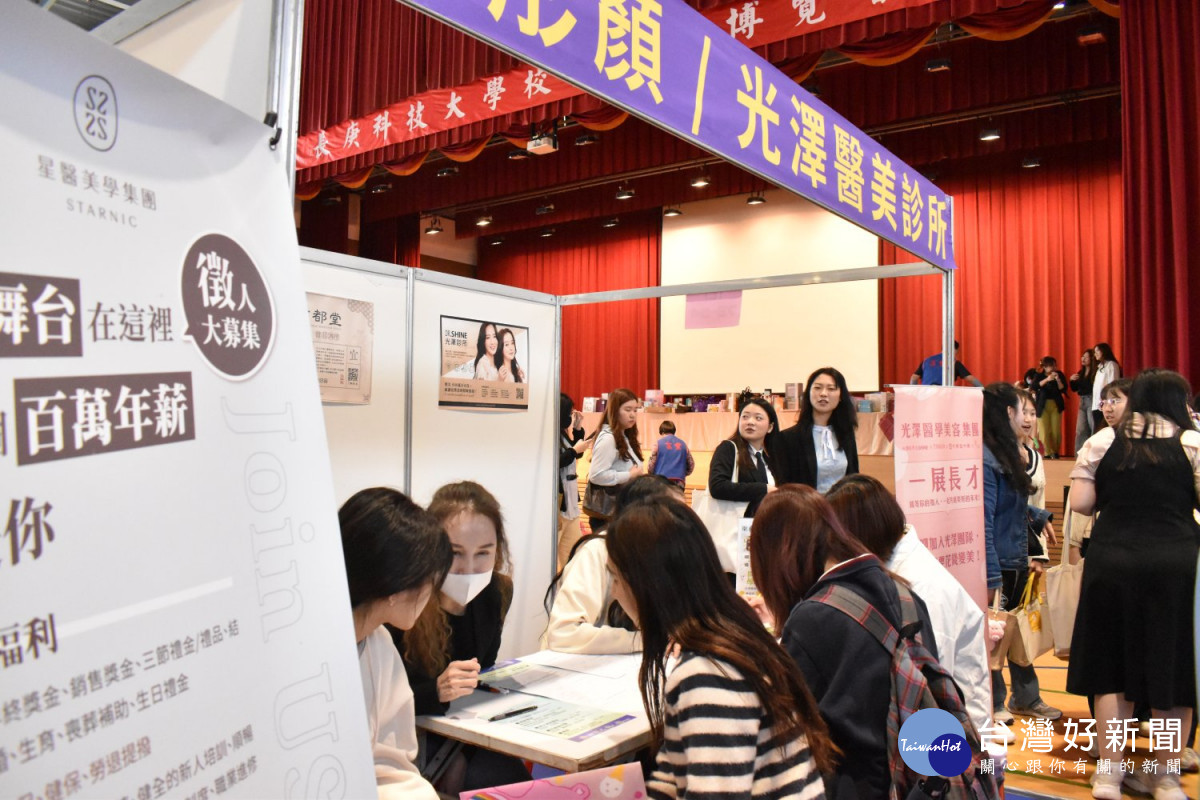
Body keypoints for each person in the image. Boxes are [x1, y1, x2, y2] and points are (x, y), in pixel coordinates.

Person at [605, 498, 835, 800]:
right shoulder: (731, 637)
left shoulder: (707, 674)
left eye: (616, 577)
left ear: (646, 586)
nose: (614, 591)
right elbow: (675, 770)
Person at [749, 484, 938, 798]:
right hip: (918, 782)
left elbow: (782, 727)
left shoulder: (812, 618)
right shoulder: (904, 593)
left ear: (778, 555)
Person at [1068, 369, 1200, 800]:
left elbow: (1082, 503)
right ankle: (1166, 779)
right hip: (1175, 562)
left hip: (1111, 560)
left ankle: (1108, 774)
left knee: (1111, 671)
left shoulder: (1103, 442)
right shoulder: (1192, 442)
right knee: (1172, 670)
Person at [825, 474, 992, 740]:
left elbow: (929, 685)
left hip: (944, 735)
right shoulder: (891, 570)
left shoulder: (923, 588)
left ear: (859, 534)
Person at [390, 481, 529, 793]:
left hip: (465, 733)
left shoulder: (495, 592)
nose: (469, 569)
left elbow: (482, 671)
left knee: (519, 785)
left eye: (483, 553)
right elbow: (376, 701)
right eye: (454, 553)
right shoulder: (402, 603)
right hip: (408, 739)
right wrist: (436, 691)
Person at [339, 487, 452, 800]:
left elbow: (391, 767)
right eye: (430, 578)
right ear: (398, 588)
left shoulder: (378, 643)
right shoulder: (316, 652)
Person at [981, 383, 1060, 727]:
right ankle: (996, 702)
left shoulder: (1009, 453)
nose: (1026, 417)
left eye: (1031, 411)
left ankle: (1025, 698)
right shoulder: (987, 458)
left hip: (1015, 556)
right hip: (999, 560)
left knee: (1018, 631)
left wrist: (1039, 517)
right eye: (1020, 409)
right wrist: (991, 574)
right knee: (997, 633)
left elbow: (1012, 507)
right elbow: (984, 519)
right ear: (1007, 413)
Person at [542, 475, 678, 654]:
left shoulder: (667, 555)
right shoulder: (598, 551)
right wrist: (647, 641)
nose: (682, 524)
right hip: (579, 666)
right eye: (675, 515)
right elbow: (563, 633)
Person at [777, 367, 859, 493]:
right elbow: (784, 486)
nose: (823, 394)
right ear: (808, 393)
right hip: (806, 504)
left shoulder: (846, 434)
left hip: (842, 504)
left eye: (831, 388)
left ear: (841, 396)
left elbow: (854, 478)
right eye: (817, 388)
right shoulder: (789, 437)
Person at [585, 387, 643, 533]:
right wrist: (629, 475)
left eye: (635, 410)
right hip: (608, 515)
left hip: (620, 512)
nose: (632, 415)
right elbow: (596, 475)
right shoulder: (609, 438)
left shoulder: (623, 435)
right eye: (627, 410)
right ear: (615, 411)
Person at [708, 397, 780, 517]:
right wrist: (764, 489)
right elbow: (717, 487)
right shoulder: (728, 448)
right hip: (735, 524)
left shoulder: (769, 457)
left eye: (758, 418)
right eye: (745, 417)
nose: (750, 422)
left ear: (770, 427)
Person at [557, 392, 589, 570]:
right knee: (553, 553)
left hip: (570, 503)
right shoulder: (549, 436)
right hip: (559, 504)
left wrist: (577, 429)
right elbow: (556, 462)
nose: (571, 416)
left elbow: (576, 453)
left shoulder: (562, 434)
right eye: (569, 413)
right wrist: (574, 451)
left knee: (573, 555)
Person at [1031, 356, 1068, 458]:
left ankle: (1055, 451)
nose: (1053, 368)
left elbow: (1063, 388)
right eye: (1051, 366)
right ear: (1045, 367)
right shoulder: (1039, 375)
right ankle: (1046, 452)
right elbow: (1034, 387)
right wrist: (1047, 379)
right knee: (1044, 430)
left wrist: (1058, 380)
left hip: (1055, 404)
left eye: (1054, 366)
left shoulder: (1059, 374)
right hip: (1042, 405)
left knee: (1055, 430)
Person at [909, 340, 984, 387]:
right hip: (943, 395)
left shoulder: (926, 361)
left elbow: (913, 378)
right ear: (955, 350)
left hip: (925, 395)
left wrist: (915, 392)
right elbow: (971, 379)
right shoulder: (954, 363)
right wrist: (983, 389)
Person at [647, 420, 694, 489]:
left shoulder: (657, 444)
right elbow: (691, 464)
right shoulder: (683, 444)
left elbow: (651, 465)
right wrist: (683, 473)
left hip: (661, 481)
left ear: (662, 432)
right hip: (679, 481)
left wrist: (652, 475)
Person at [1070, 348, 1098, 452]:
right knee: (1080, 430)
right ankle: (1079, 454)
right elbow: (1074, 388)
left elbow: (1089, 386)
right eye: (1082, 356)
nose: (1083, 359)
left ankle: (1093, 452)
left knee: (1092, 426)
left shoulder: (1095, 372)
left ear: (1092, 358)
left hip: (1091, 399)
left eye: (1086, 357)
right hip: (1082, 401)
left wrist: (1079, 382)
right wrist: (1072, 380)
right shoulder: (1081, 372)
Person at [1090, 342, 1121, 431]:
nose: (1095, 354)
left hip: (1105, 404)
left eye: (1097, 351)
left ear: (1104, 351)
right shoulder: (1099, 367)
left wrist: (1107, 402)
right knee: (1097, 429)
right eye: (1094, 352)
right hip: (1097, 404)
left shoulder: (1111, 365)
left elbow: (1113, 384)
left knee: (1105, 429)